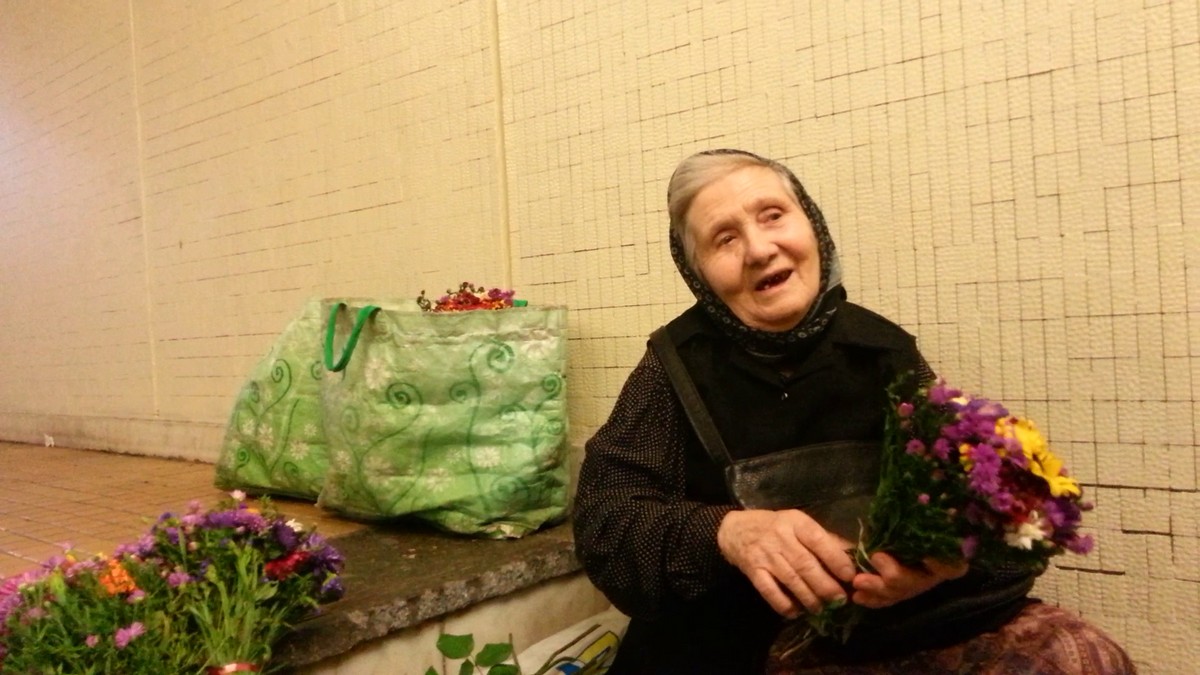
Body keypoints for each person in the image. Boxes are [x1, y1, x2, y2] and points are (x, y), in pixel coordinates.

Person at [572, 149, 1135, 674]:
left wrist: (937, 563)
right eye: (725, 239)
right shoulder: (674, 365)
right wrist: (726, 533)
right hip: (730, 643)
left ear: (813, 226)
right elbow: (607, 524)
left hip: (880, 629)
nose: (760, 250)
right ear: (698, 275)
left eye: (773, 216)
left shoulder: (883, 352)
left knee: (1079, 654)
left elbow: (985, 511)